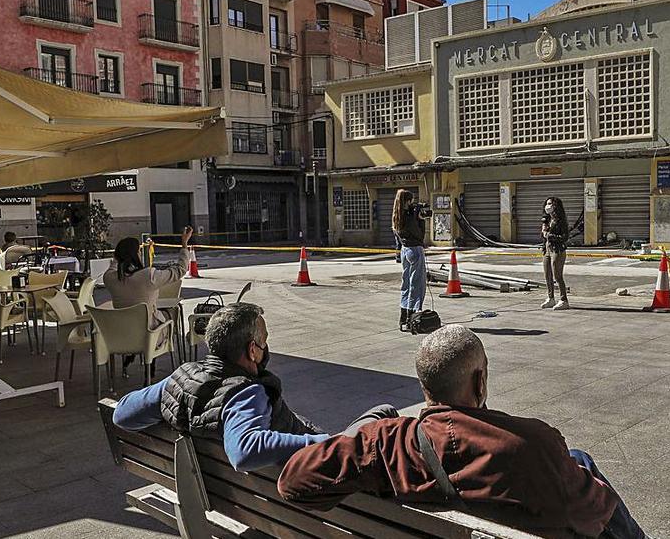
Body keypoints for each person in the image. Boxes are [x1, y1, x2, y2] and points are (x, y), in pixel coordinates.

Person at [277, 325, 646, 539]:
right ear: (480, 380)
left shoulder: (385, 444)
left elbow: (292, 481)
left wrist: (366, 429)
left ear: (424, 385)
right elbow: (594, 515)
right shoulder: (532, 445)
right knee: (579, 462)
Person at [112, 302, 397, 471]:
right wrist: (329, 442)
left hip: (236, 489)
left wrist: (172, 393)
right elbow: (245, 450)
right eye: (263, 342)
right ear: (251, 351)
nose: (266, 349)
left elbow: (121, 414)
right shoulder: (245, 394)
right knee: (384, 411)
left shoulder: (181, 378)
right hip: (307, 480)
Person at [104, 227, 192, 329]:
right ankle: (169, 343)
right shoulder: (148, 276)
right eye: (139, 251)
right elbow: (180, 270)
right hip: (150, 335)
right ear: (136, 254)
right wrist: (184, 244)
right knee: (173, 314)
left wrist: (121, 253)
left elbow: (114, 265)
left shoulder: (109, 278)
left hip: (124, 334)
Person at [392, 189, 430, 332]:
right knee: (417, 285)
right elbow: (419, 236)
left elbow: (397, 238)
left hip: (404, 250)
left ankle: (403, 317)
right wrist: (420, 220)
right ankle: (413, 317)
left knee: (406, 284)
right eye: (412, 201)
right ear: (408, 201)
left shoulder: (397, 215)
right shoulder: (409, 217)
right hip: (415, 250)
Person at [540, 196, 571, 311]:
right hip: (547, 249)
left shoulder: (561, 221)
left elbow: (564, 237)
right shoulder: (547, 219)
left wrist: (548, 235)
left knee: (557, 275)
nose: (547, 206)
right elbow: (543, 235)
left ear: (555, 206)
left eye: (550, 204)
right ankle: (550, 298)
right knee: (547, 275)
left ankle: (564, 300)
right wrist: (544, 230)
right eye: (547, 204)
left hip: (557, 250)